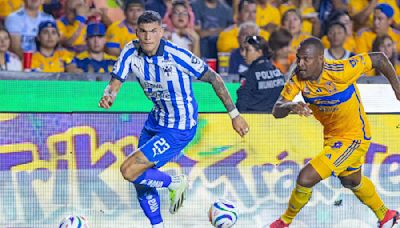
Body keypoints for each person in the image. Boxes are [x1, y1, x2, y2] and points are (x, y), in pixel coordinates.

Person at [98, 11, 249, 228]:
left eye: (153, 32)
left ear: (161, 32)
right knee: (140, 179)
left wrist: (234, 115)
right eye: (143, 32)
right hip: (155, 121)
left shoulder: (177, 55)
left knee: (129, 170)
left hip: (179, 127)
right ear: (136, 32)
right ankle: (157, 225)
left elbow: (214, 78)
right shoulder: (131, 50)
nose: (148, 37)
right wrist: (109, 95)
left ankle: (174, 181)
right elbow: (116, 80)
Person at [270, 37, 400, 228]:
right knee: (351, 180)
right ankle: (387, 215)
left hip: (355, 137)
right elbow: (276, 110)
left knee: (306, 178)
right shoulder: (298, 78)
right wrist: (290, 106)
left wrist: (397, 89)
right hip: (333, 138)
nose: (300, 64)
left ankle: (284, 222)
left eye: (306, 59)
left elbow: (379, 58)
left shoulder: (341, 70)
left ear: (321, 59)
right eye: (298, 58)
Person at [236, 35, 285, 113]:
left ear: (259, 52)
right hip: (275, 120)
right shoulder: (277, 71)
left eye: (247, 50)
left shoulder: (249, 74)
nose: (243, 53)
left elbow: (242, 102)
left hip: (253, 119)